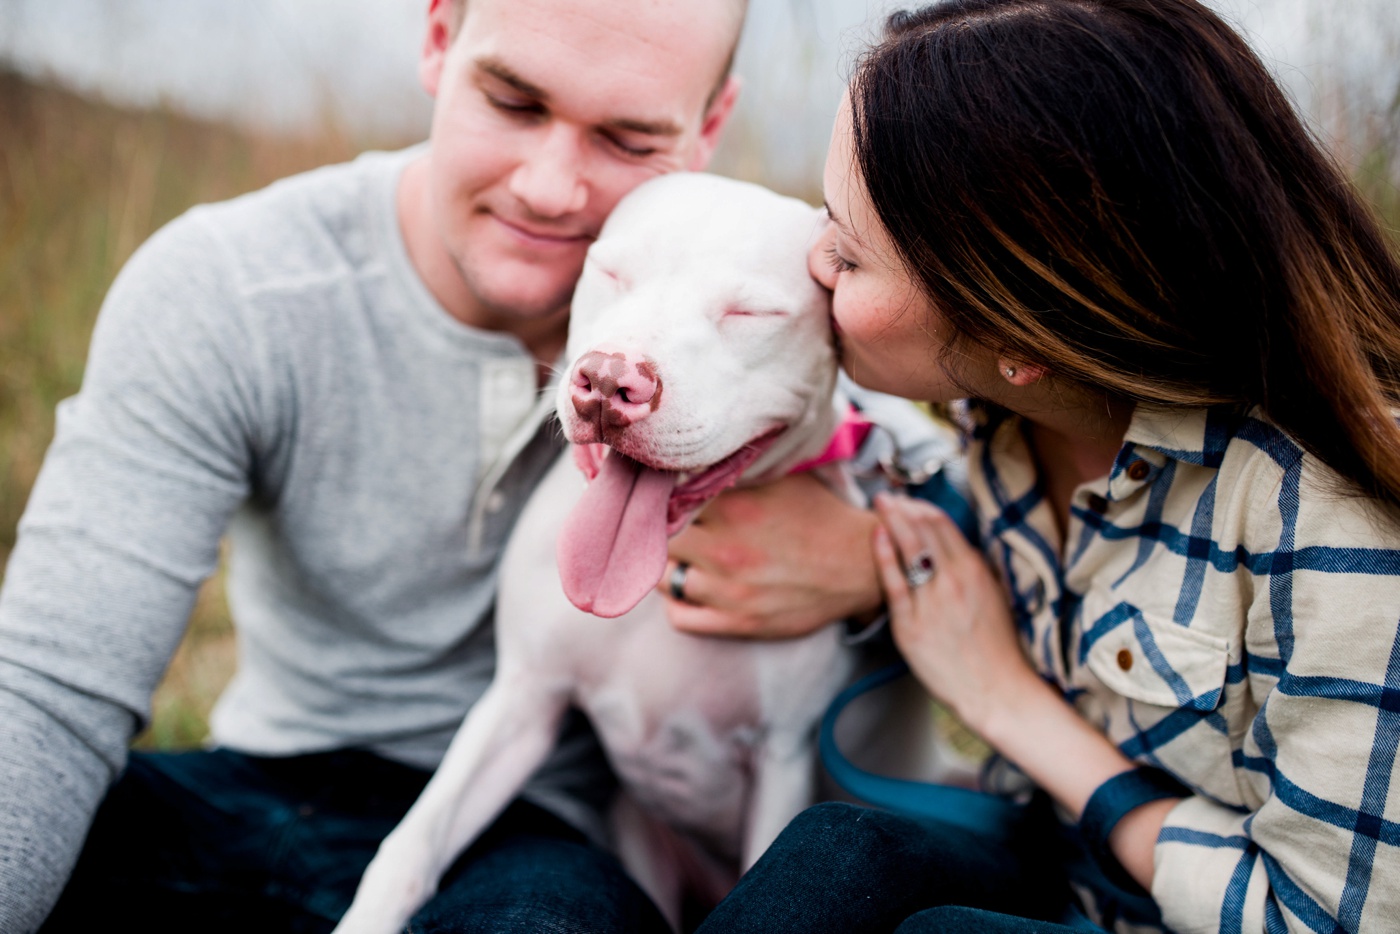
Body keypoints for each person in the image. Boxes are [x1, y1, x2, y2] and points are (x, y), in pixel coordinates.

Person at [0, 1, 893, 931]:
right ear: (436, 40)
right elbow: (49, 690)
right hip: (253, 782)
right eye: (513, 100)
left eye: (628, 137)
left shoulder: (734, 288)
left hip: (534, 837)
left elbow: (894, 426)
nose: (550, 189)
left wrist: (879, 554)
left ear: (708, 128)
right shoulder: (230, 290)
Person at [688, 0, 1400, 931]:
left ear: (1020, 332)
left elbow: (1322, 918)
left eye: (851, 253)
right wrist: (874, 559)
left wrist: (1006, 701)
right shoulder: (1009, 420)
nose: (813, 258)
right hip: (1056, 876)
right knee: (838, 855)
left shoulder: (1333, 517)